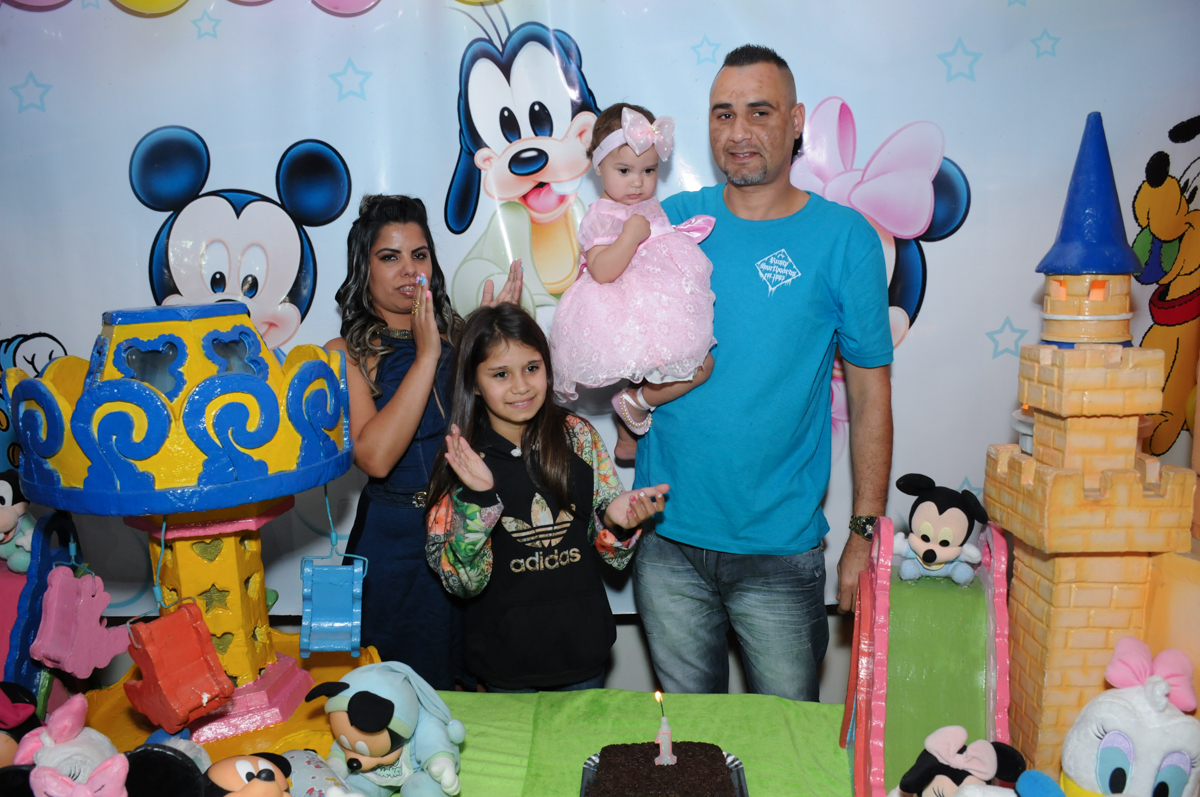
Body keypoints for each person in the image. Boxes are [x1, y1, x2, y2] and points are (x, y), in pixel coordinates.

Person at [632, 45, 894, 701]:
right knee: (688, 749)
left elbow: (870, 396)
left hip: (780, 549)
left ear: (797, 120)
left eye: (759, 111)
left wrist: (865, 534)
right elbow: (605, 318)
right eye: (723, 114)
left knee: (784, 749)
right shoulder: (670, 222)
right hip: (665, 540)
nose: (738, 132)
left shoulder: (845, 238)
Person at [327, 194, 522, 690]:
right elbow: (374, 457)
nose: (409, 270)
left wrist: (496, 344)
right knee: (392, 699)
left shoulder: (458, 336)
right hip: (391, 547)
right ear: (362, 267)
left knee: (479, 687)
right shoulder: (344, 351)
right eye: (389, 257)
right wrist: (426, 355)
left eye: (419, 254)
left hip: (467, 531)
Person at [424, 304, 669, 692]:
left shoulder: (578, 436)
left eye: (532, 368)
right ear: (473, 382)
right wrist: (480, 498)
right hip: (503, 668)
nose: (521, 386)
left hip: (583, 657)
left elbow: (614, 558)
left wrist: (618, 526)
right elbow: (462, 584)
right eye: (501, 374)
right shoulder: (463, 458)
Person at [549, 103, 717, 462]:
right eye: (624, 170)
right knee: (692, 368)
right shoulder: (602, 215)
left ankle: (629, 421)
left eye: (649, 170)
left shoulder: (647, 206)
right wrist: (630, 237)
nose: (637, 181)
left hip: (658, 305)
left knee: (684, 365)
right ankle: (633, 402)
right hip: (619, 308)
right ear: (598, 167)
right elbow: (602, 270)